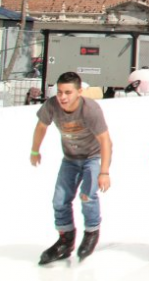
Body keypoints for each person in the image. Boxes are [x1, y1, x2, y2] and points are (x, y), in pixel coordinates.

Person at [31, 71, 112, 264]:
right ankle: (65, 240)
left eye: (68, 92)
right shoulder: (52, 105)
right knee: (59, 200)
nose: (63, 97)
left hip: (92, 157)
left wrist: (104, 172)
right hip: (70, 158)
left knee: (87, 195)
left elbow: (105, 141)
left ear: (79, 92)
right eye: (60, 92)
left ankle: (91, 232)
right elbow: (41, 127)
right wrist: (35, 150)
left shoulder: (90, 109)